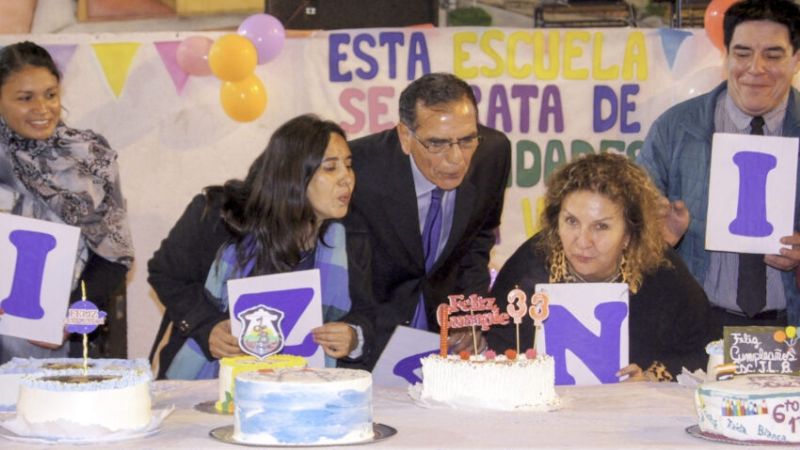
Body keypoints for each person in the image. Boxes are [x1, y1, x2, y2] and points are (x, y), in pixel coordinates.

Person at [148, 114, 374, 379]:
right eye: (330, 168)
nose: (347, 178)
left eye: (349, 165)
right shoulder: (219, 215)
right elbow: (165, 274)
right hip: (210, 383)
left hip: (306, 387)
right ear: (293, 174)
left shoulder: (351, 236)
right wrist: (207, 326)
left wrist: (353, 336)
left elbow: (366, 313)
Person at [638, 0, 800, 338]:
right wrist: (658, 236)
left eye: (773, 55)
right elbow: (629, 233)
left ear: (796, 58)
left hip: (790, 326)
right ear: (725, 55)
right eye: (742, 53)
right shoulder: (675, 129)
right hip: (697, 325)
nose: (755, 68)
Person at [487, 153, 710, 381]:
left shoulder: (661, 270)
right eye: (571, 221)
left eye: (601, 227)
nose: (583, 241)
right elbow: (496, 347)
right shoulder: (529, 265)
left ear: (629, 234)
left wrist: (651, 376)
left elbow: (707, 351)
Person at [345, 72, 511, 367]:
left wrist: (468, 316)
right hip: (372, 337)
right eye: (437, 143)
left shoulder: (493, 154)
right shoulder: (359, 168)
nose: (456, 158)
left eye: (467, 139)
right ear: (405, 137)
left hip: (445, 339)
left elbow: (478, 240)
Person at [0, 41, 133, 363]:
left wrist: (74, 319)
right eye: (25, 98)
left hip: (62, 345)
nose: (42, 108)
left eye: (50, 94)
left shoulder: (89, 158)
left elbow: (114, 257)